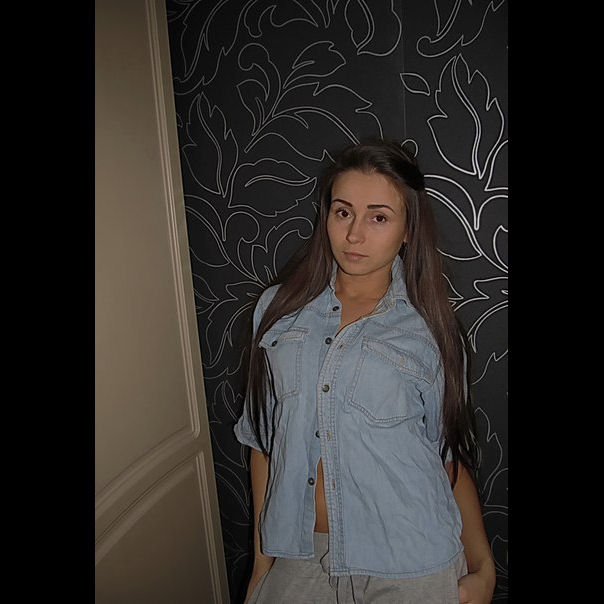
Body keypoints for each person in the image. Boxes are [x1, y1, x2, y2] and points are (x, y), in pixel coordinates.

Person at [234, 138, 496, 603]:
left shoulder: (431, 329)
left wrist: (484, 567)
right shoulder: (277, 311)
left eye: (378, 217)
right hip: (300, 553)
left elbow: (446, 458)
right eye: (343, 212)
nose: (354, 235)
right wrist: (262, 564)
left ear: (408, 229)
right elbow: (264, 444)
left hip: (410, 558)